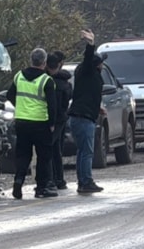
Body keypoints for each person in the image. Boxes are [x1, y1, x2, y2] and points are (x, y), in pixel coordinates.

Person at [6, 48, 58, 199]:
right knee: (43, 156)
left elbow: (10, 94)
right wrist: (52, 123)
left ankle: (18, 181)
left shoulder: (19, 76)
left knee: (23, 154)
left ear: (31, 60)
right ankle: (41, 188)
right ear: (44, 62)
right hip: (41, 123)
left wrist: (21, 107)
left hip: (22, 121)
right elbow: (52, 105)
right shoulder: (47, 80)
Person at [67, 29, 106, 193]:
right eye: (101, 62)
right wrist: (90, 44)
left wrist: (98, 108)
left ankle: (83, 181)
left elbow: (89, 95)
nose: (102, 65)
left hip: (82, 115)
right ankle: (86, 181)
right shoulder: (87, 71)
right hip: (83, 118)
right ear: (96, 65)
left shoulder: (86, 76)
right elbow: (87, 59)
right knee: (87, 152)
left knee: (83, 151)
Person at [46, 51, 72, 190]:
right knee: (56, 150)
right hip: (61, 119)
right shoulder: (65, 82)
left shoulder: (48, 82)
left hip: (52, 120)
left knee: (50, 149)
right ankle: (59, 179)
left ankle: (51, 179)